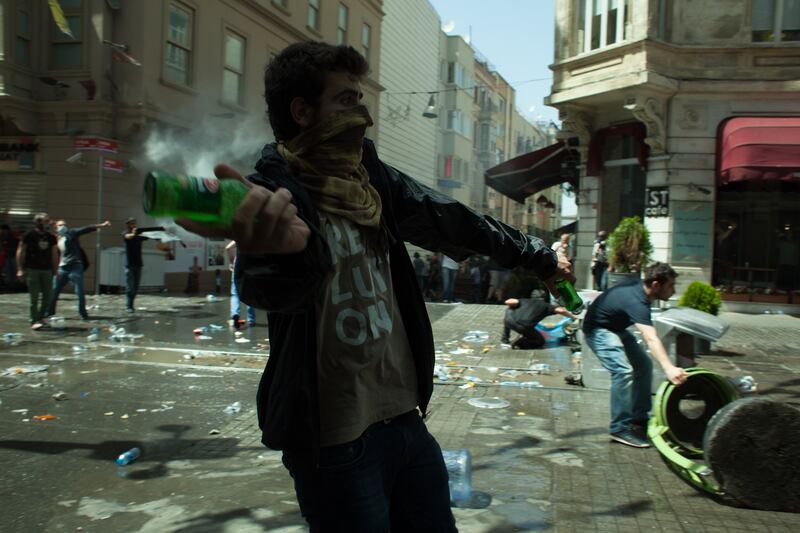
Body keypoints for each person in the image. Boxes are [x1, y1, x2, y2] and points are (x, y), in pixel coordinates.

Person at [177, 41, 572, 532]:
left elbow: (453, 220)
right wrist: (272, 252)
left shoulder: (370, 180)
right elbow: (270, 292)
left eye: (361, 100)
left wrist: (538, 256)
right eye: (345, 100)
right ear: (302, 112)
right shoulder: (273, 197)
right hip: (335, 441)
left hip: (405, 419)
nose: (362, 115)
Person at [582, 262, 689, 449]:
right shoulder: (637, 301)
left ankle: (638, 419)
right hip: (598, 330)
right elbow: (651, 338)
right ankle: (619, 428)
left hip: (615, 328)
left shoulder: (639, 287)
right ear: (655, 285)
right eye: (670, 285)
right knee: (623, 371)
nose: (673, 290)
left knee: (644, 366)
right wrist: (669, 368)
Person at [46, 219, 111, 320]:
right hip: (63, 267)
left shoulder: (72, 233)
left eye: (64, 224)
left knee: (79, 290)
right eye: (60, 225)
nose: (63, 226)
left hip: (75, 265)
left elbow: (87, 228)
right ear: (56, 228)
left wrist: (102, 225)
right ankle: (49, 312)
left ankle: (83, 313)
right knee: (55, 290)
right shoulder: (57, 238)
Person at [16, 214, 57, 329]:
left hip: (47, 269)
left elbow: (54, 254)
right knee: (34, 297)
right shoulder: (28, 235)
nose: (48, 223)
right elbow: (20, 251)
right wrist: (19, 269)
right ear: (38, 223)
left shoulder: (51, 237)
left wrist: (55, 270)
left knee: (48, 296)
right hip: (32, 269)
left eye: (48, 221)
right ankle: (34, 320)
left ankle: (41, 317)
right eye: (46, 221)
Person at [502, 289, 579, 348]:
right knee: (540, 341)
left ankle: (505, 339)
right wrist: (573, 317)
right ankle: (520, 342)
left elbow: (509, 301)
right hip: (524, 327)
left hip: (509, 322)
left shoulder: (524, 300)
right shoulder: (546, 306)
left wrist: (515, 303)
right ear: (544, 298)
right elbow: (561, 310)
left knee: (510, 310)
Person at [122, 217, 164, 313]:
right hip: (129, 265)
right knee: (130, 286)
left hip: (138, 264)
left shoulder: (139, 236)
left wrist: (159, 231)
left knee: (135, 287)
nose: (134, 225)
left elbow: (149, 235)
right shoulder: (125, 234)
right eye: (132, 224)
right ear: (128, 225)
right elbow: (129, 236)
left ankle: (131, 305)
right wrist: (134, 233)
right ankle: (129, 306)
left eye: (135, 223)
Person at [226, 240, 256, 328]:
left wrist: (231, 262)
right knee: (250, 292)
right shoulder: (256, 236)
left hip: (238, 262)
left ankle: (235, 314)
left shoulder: (241, 235)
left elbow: (228, 248)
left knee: (235, 293)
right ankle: (251, 320)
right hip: (250, 263)